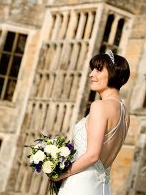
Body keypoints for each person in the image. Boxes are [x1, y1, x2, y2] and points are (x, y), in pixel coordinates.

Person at [54, 50, 130, 195]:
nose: (91, 74)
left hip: (79, 186)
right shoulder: (125, 114)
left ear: (113, 74)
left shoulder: (99, 106)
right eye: (93, 69)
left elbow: (93, 155)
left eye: (98, 70)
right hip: (101, 188)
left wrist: (59, 175)